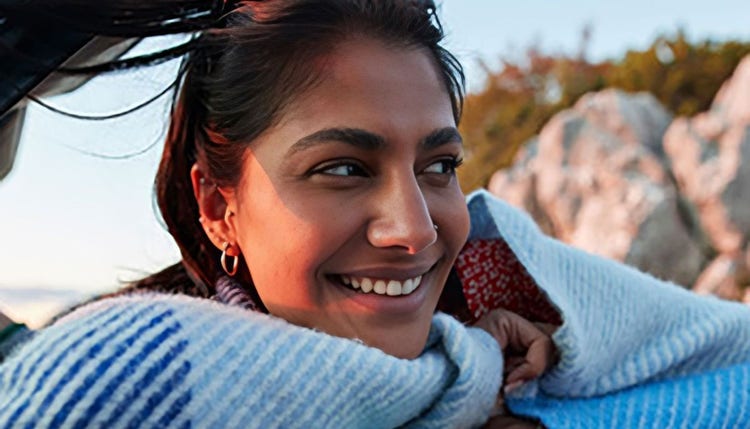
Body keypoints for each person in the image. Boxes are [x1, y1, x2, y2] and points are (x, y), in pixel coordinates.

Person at [3, 1, 750, 428]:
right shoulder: (120, 383)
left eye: (439, 167)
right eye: (343, 168)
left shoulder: (508, 354)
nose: (417, 228)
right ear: (217, 207)